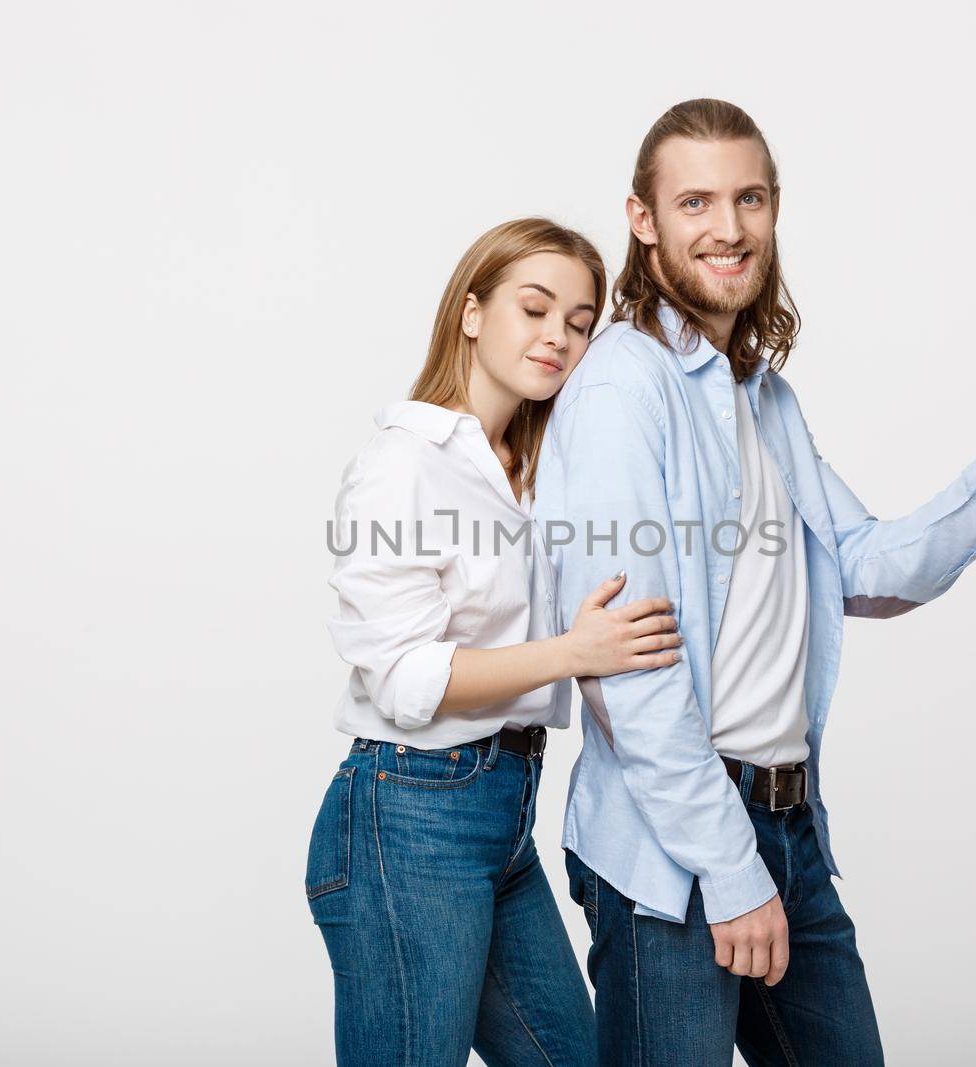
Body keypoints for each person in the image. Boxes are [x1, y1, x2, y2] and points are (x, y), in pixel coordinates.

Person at [534, 99, 976, 1064]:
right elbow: (633, 669)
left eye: (749, 198)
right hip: (676, 848)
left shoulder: (759, 394)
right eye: (695, 200)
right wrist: (730, 868)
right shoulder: (626, 388)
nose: (729, 226)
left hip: (788, 823)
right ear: (643, 218)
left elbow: (862, 565)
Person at [306, 217, 684, 1066]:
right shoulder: (404, 462)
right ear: (472, 313)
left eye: (581, 323)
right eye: (535, 308)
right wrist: (576, 651)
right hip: (408, 812)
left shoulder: (536, 469)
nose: (559, 336)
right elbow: (406, 676)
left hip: (505, 814)